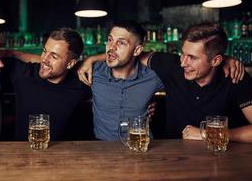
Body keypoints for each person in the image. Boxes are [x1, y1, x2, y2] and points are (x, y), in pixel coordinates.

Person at [79, 22, 252, 142]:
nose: (183, 62)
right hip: (172, 156)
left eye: (191, 57)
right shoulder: (171, 66)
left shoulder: (235, 76)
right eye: (182, 54)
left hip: (223, 156)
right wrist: (92, 59)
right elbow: (128, 55)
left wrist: (211, 134)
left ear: (216, 61)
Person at [84, 21, 163, 140]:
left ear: (137, 50)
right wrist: (90, 59)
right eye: (110, 40)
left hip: (141, 145)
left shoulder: (153, 76)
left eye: (121, 43)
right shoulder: (92, 72)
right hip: (102, 148)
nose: (111, 47)